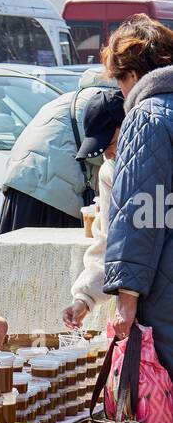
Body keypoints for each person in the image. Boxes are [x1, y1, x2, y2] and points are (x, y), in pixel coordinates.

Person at [102, 14, 173, 423]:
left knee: (165, 415)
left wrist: (126, 291)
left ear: (130, 73)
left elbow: (139, 213)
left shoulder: (150, 114)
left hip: (166, 289)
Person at [0, 71, 119, 233]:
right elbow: (103, 153)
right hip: (53, 189)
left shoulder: (70, 97)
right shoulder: (106, 101)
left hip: (22, 179)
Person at [60, 90, 125, 330]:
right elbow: (107, 240)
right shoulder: (110, 171)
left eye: (111, 143)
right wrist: (84, 299)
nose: (108, 154)